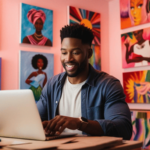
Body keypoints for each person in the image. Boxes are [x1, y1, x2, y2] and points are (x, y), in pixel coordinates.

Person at [37, 24, 132, 140]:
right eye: (64, 52)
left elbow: (123, 129)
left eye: (76, 52)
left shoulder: (108, 85)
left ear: (89, 53)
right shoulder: (52, 84)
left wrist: (79, 123)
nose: (68, 59)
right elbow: (35, 120)